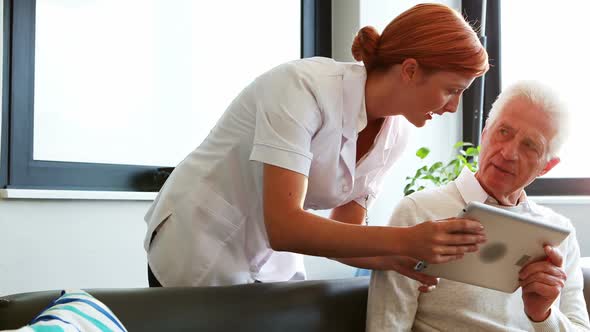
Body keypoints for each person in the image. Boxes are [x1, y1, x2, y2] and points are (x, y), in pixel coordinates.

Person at [144, 3, 489, 287]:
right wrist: (405, 239)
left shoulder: (396, 134)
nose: (452, 108)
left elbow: (347, 235)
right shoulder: (302, 88)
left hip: (270, 257)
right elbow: (285, 226)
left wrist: (401, 260)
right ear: (410, 70)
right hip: (198, 238)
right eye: (452, 90)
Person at [366, 81, 590, 331]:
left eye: (530, 146)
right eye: (503, 132)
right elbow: (386, 325)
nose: (508, 153)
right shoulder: (418, 211)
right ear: (485, 133)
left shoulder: (559, 232)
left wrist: (542, 315)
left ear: (547, 167)